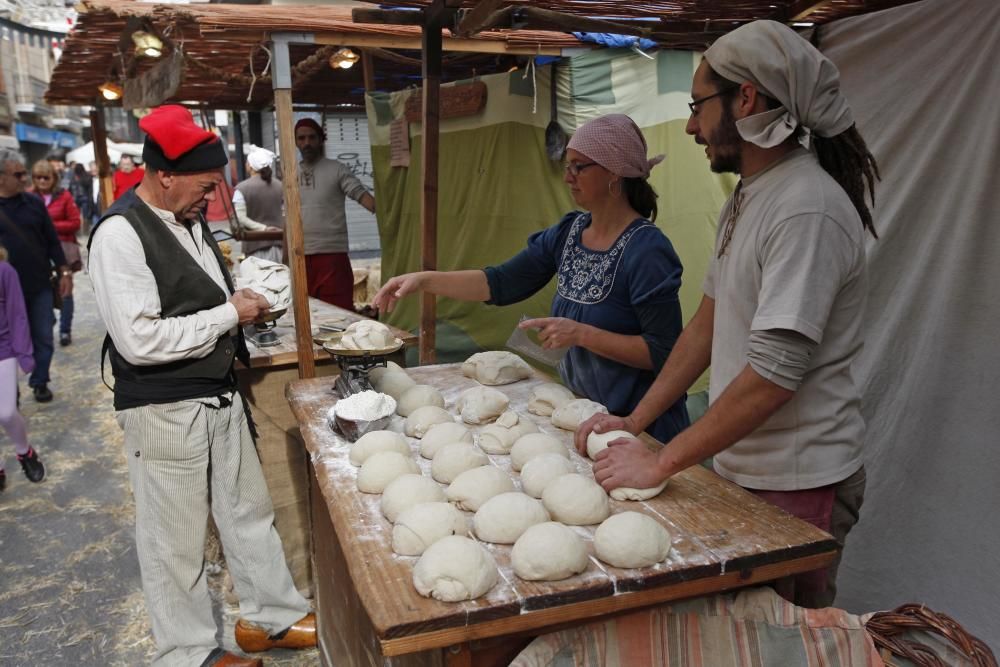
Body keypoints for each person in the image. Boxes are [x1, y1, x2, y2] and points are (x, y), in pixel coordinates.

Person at [577, 21, 879, 609]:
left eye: (697, 106)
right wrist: (634, 424)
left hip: (799, 481)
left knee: (784, 639)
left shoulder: (805, 210)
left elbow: (771, 378)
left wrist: (661, 462)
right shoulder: (750, 194)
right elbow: (704, 329)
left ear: (745, 98)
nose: (690, 125)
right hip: (749, 467)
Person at [88, 104, 315, 667]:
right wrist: (228, 316)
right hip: (164, 412)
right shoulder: (120, 235)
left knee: (247, 515)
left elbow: (203, 298)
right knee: (174, 543)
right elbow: (139, 340)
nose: (211, 199)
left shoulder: (187, 223)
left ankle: (272, 619)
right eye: (205, 185)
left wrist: (246, 306)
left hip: (216, 396)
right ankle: (187, 655)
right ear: (165, 174)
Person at [375, 114, 690, 443]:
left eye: (579, 167)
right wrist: (425, 281)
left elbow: (664, 353)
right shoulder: (570, 232)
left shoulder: (647, 250)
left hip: (643, 427)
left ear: (614, 172)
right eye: (566, 166)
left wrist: (582, 334)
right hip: (585, 415)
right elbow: (499, 283)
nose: (568, 177)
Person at [0, 148, 71, 403]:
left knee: (43, 336)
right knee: (5, 344)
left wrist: (63, 270)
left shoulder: (34, 203)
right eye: (18, 174)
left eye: (24, 173)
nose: (24, 179)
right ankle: (10, 391)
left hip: (38, 284)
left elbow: (52, 240)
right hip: (4, 293)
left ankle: (40, 380)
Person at [295, 117, 375, 310]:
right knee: (305, 315)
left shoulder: (337, 169)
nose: (307, 143)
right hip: (299, 256)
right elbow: (286, 218)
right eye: (301, 138)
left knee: (338, 315)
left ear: (321, 139)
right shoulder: (289, 173)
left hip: (332, 257)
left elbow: (366, 200)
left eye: (312, 137)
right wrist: (286, 259)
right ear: (296, 141)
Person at [0, 244, 45, 492]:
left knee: (6, 412)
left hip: (3, 349)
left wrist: (23, 354)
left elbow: (17, 313)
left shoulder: (5, 271)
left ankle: (23, 451)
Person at [29, 160, 82, 347]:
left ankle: (65, 330)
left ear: (53, 178)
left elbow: (76, 222)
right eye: (38, 177)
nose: (42, 181)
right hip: (38, 252)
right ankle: (46, 325)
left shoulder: (64, 196)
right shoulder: (27, 197)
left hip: (63, 249)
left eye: (46, 177)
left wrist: (49, 225)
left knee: (65, 291)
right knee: (42, 291)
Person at [233, 147, 284, 263]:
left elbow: (240, 218)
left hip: (254, 247)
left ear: (250, 166)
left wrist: (264, 229)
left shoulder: (242, 188)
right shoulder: (280, 186)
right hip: (281, 246)